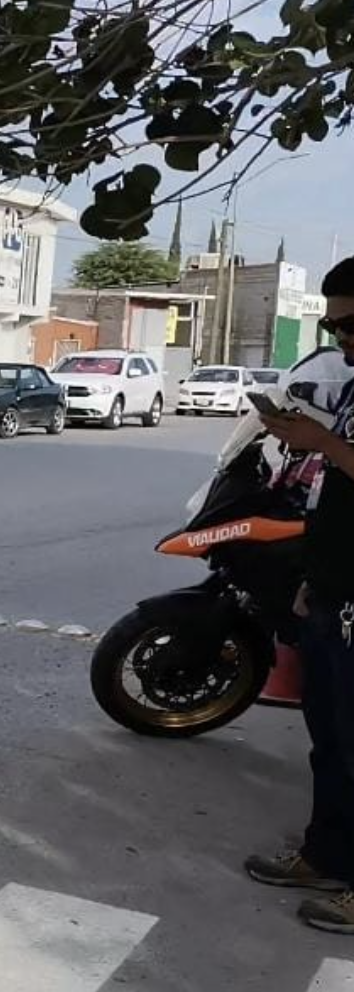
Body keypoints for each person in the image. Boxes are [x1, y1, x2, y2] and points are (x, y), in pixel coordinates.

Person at [247, 256, 354, 934]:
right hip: (337, 586)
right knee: (332, 740)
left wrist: (325, 443)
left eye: (352, 324)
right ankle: (327, 856)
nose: (343, 338)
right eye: (334, 325)